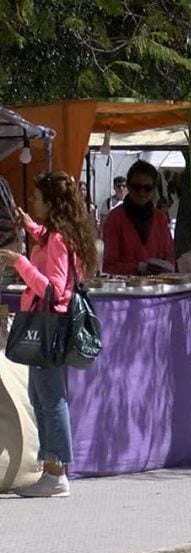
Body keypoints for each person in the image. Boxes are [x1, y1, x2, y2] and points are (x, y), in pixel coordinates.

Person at [1, 172, 98, 497]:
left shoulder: (58, 239)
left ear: (53, 203)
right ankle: (52, 468)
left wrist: (22, 264)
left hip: (48, 326)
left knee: (49, 397)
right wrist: (30, 226)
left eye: (39, 200)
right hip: (47, 325)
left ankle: (56, 471)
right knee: (41, 395)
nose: (34, 203)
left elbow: (53, 289)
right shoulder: (57, 235)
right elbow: (50, 246)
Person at [101, 161, 175, 275]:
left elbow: (169, 258)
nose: (141, 192)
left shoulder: (160, 218)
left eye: (147, 188)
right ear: (129, 187)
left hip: (156, 288)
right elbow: (109, 266)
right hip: (125, 289)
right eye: (136, 187)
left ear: (153, 189)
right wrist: (138, 267)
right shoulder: (115, 218)